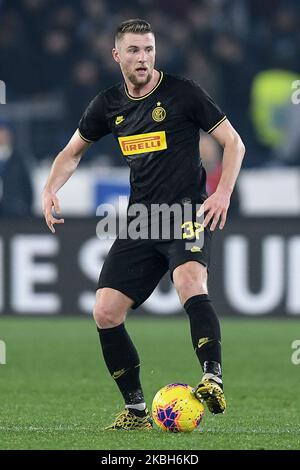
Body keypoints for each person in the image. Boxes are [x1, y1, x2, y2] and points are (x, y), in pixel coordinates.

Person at [42, 19, 245, 430]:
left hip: (186, 212)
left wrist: (221, 193)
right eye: (134, 50)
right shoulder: (107, 106)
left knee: (190, 282)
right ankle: (136, 411)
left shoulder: (182, 92)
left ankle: (212, 377)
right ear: (116, 55)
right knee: (105, 311)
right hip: (141, 221)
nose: (143, 58)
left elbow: (233, 142)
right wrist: (49, 188)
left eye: (149, 49)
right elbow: (72, 152)